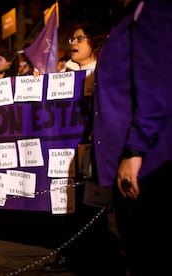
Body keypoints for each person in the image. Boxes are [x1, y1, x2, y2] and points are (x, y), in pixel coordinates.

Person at [93, 0, 172, 275]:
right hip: (136, 152)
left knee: (146, 251)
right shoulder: (132, 15)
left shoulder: (152, 10)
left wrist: (135, 151)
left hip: (148, 159)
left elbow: (157, 86)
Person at [42, 23, 119, 274]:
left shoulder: (105, 71)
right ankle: (70, 253)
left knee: (92, 204)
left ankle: (96, 254)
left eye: (79, 38)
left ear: (94, 42)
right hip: (66, 152)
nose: (72, 43)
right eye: (71, 38)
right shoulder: (66, 73)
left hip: (95, 149)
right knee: (69, 203)